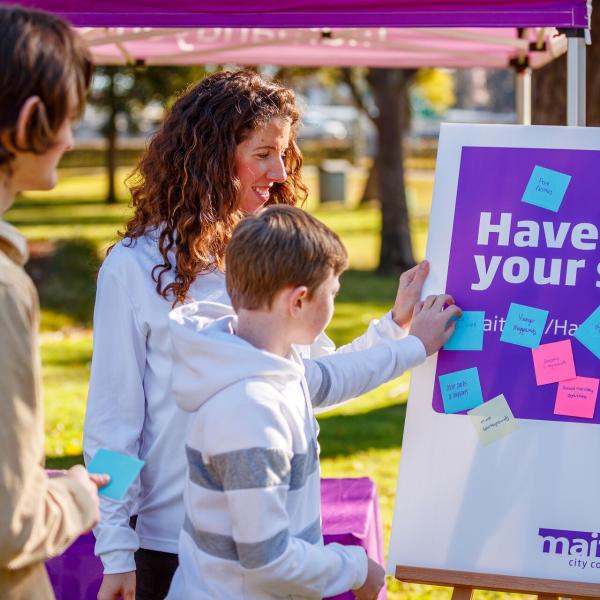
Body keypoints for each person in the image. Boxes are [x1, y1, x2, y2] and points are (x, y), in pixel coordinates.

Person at [84, 69, 433, 600]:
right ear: (212, 153)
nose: (277, 170)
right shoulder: (132, 269)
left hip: (271, 541)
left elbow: (313, 380)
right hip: (167, 545)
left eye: (284, 153)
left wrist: (396, 327)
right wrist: (114, 547)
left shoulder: (265, 258)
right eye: (263, 152)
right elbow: (112, 425)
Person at [166, 205, 459, 599]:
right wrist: (358, 568)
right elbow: (269, 562)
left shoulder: (269, 365)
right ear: (299, 301)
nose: (335, 302)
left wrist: (402, 333)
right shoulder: (251, 410)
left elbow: (337, 375)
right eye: (333, 292)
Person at [0, 6, 109, 599]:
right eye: (68, 119)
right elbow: (9, 525)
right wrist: (75, 496)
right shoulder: (2, 287)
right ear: (29, 121)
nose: (70, 139)